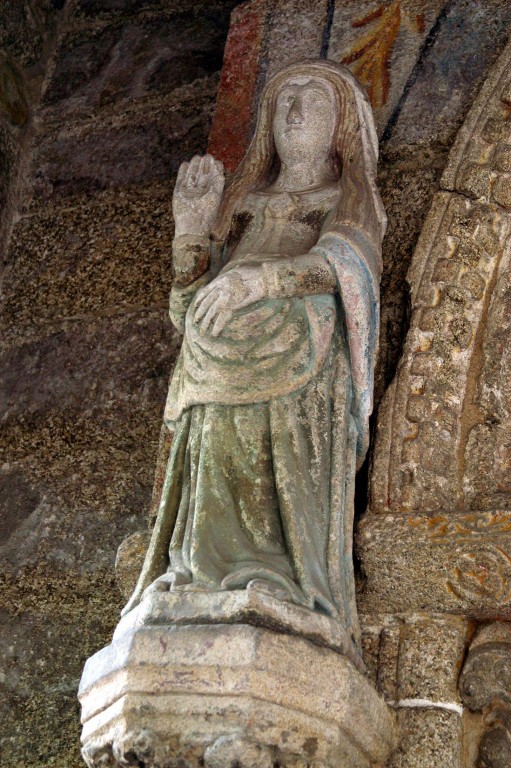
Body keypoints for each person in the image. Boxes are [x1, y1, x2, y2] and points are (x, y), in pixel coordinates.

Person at [122, 60, 386, 647]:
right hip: (216, 357)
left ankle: (280, 577)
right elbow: (187, 308)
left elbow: (345, 268)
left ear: (342, 124)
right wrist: (191, 231)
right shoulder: (242, 203)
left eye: (315, 101)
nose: (296, 111)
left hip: (296, 352)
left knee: (278, 460)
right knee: (217, 452)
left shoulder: (348, 197)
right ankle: (198, 571)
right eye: (285, 98)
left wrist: (259, 283)